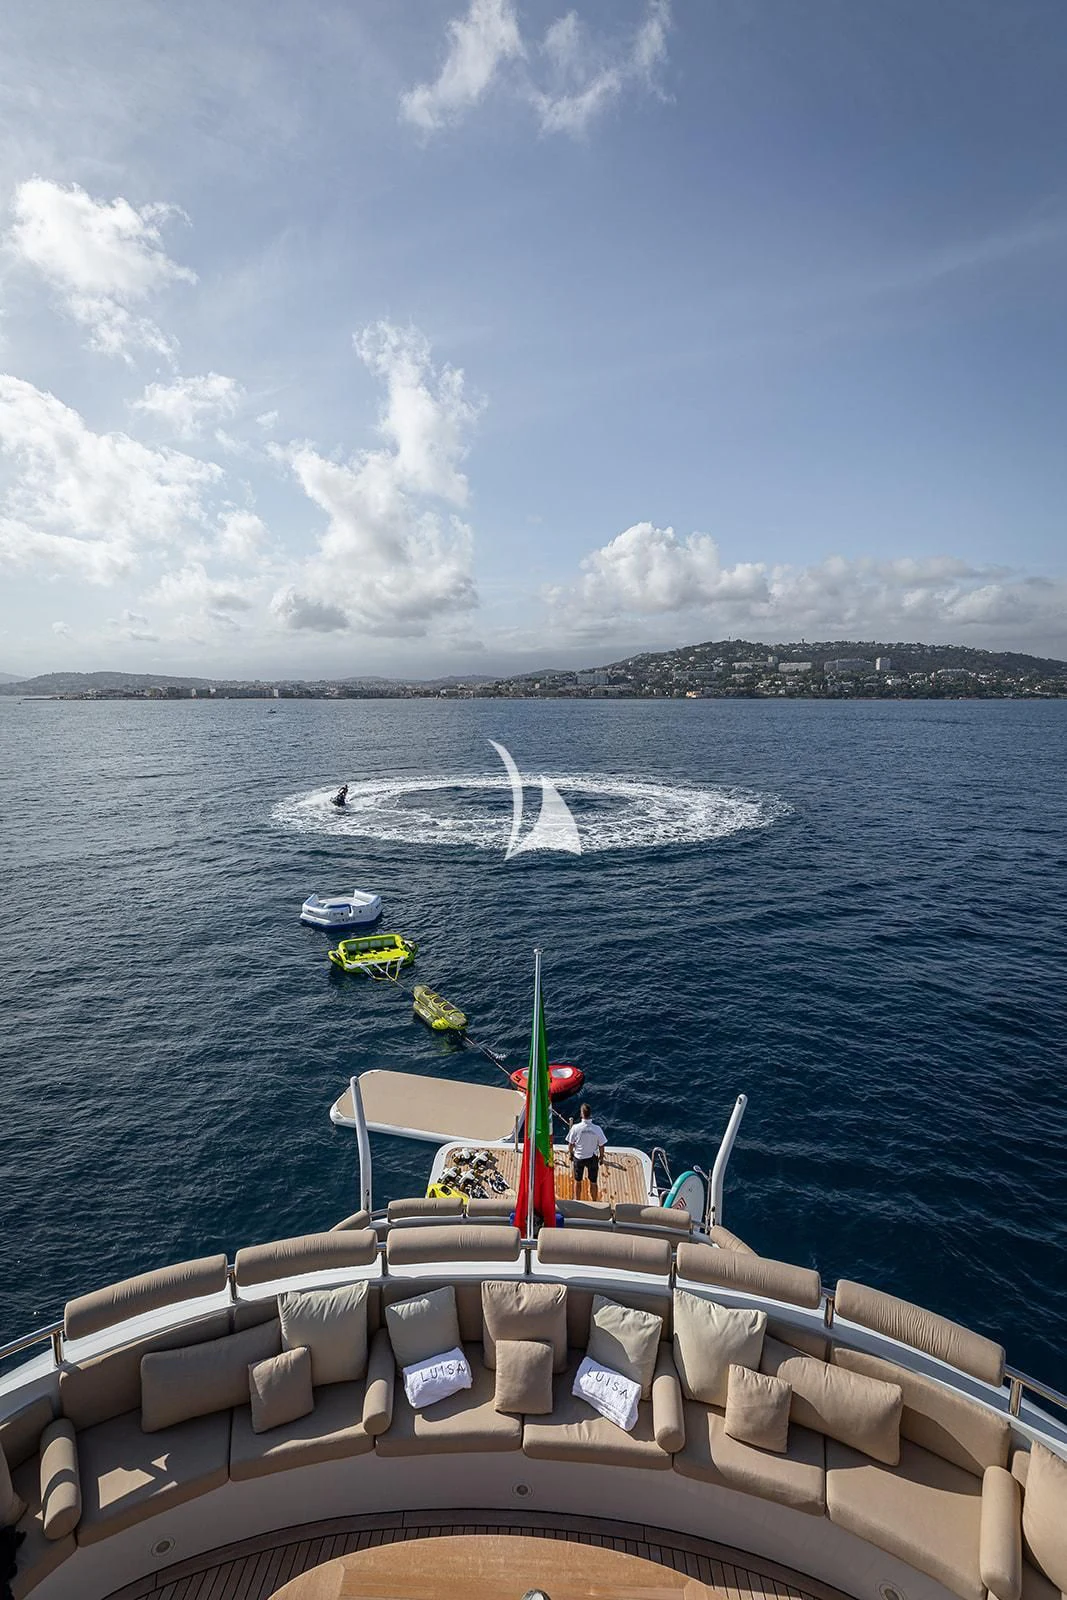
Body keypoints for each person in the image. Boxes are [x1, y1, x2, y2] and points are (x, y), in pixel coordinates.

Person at [566, 1103, 607, 1202]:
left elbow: (571, 1144)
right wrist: (601, 1158)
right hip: (592, 1159)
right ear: (590, 1114)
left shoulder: (575, 1128)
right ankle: (594, 1202)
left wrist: (571, 1154)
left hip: (578, 1158)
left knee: (578, 1181)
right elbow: (601, 1145)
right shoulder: (597, 1129)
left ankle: (578, 1202)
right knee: (593, 1182)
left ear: (581, 1114)